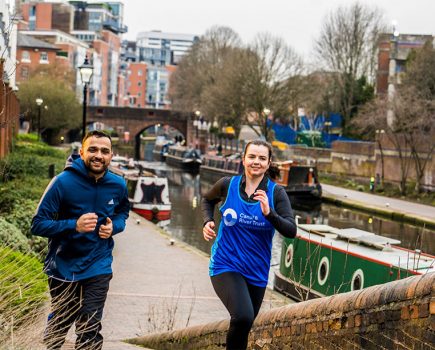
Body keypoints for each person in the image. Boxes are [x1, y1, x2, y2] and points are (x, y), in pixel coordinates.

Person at [31, 130, 130, 350]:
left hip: (99, 263)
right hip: (63, 264)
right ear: (81, 152)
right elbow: (37, 223)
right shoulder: (62, 182)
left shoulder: (118, 184)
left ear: (111, 155)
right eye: (93, 149)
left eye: (105, 151)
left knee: (90, 325)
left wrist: (115, 226)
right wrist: (73, 225)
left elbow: (123, 213)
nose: (99, 155)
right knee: (62, 319)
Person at [201, 139, 297, 350]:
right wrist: (208, 221)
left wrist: (269, 213)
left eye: (262, 158)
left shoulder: (276, 193)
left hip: (257, 271)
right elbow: (207, 200)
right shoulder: (228, 185)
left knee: (244, 324)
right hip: (225, 265)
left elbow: (291, 230)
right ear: (243, 159)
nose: (256, 162)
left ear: (269, 162)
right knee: (243, 316)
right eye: (252, 156)